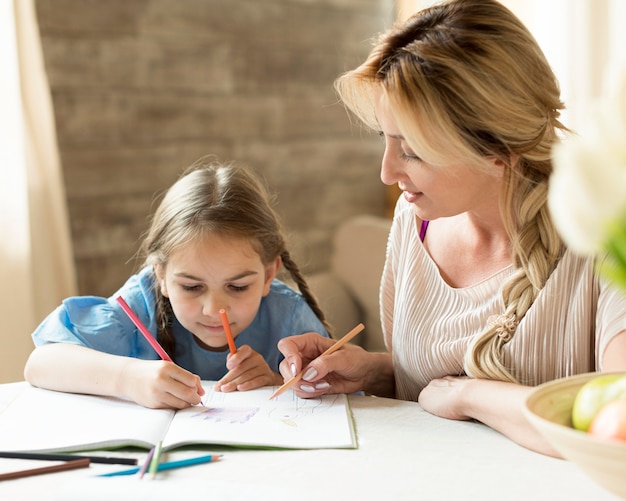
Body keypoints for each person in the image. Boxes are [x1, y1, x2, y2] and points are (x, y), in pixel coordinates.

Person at [276, 0, 626, 456]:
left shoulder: (606, 230)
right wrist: (375, 372)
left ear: (497, 148)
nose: (387, 172)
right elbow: (432, 390)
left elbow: (615, 424)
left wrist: (471, 395)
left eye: (412, 151)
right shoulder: (413, 220)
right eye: (386, 139)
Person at [24, 157, 330, 409]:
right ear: (161, 276)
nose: (214, 310)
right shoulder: (142, 303)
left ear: (268, 274)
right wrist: (129, 378)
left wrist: (278, 384)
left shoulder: (288, 316)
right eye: (192, 287)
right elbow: (41, 363)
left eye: (237, 287)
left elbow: (342, 397)